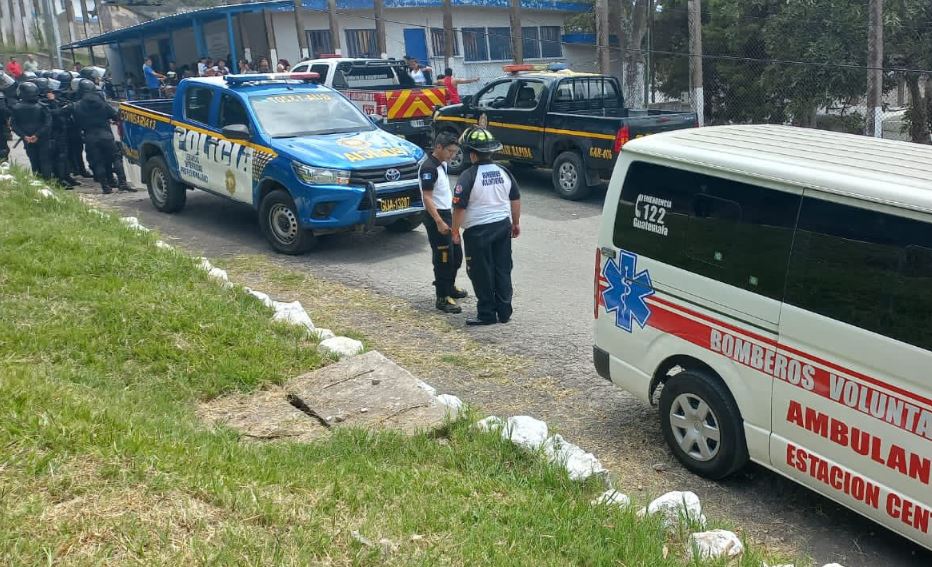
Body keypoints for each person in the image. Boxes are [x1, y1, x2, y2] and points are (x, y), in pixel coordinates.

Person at [451, 127, 521, 325]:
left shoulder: (468, 176)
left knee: (481, 272)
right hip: (502, 227)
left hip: (477, 232)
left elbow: (459, 207)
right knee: (503, 269)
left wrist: (455, 231)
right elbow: (515, 199)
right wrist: (515, 223)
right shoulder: (504, 171)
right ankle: (505, 311)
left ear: (472, 154)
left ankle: (487, 314)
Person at [419, 132, 469, 313]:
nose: (452, 155)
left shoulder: (443, 164)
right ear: (438, 147)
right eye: (449, 151)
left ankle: (450, 287)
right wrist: (439, 221)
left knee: (456, 255)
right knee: (444, 258)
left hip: (447, 214)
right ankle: (442, 297)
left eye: (455, 151)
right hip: (436, 217)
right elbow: (427, 197)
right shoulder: (429, 168)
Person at [73, 79, 120, 194]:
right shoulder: (102, 103)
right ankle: (118, 182)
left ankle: (105, 187)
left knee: (97, 162)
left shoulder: (77, 106)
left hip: (90, 137)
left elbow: (76, 122)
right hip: (106, 135)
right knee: (113, 159)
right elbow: (115, 116)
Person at [10, 81, 53, 180]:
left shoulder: (16, 108)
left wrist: (24, 136)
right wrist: (37, 135)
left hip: (27, 139)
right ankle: (48, 183)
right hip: (42, 138)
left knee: (34, 162)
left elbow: (14, 125)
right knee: (45, 161)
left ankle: (38, 182)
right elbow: (48, 123)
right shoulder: (42, 107)